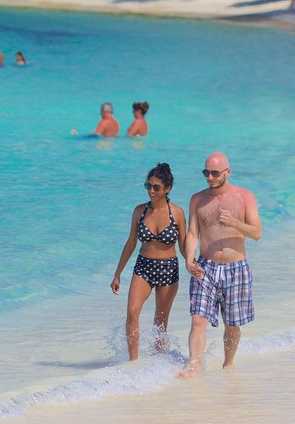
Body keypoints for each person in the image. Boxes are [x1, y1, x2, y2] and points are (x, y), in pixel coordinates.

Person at [179, 152, 262, 376]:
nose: (210, 177)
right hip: (205, 267)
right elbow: (193, 233)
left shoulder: (245, 197)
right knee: (198, 319)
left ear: (228, 172)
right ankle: (194, 366)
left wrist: (235, 223)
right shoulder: (198, 199)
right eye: (206, 172)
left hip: (236, 267)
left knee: (232, 324)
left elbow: (256, 233)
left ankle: (228, 364)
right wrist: (188, 258)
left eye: (215, 173)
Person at [111, 163, 187, 360]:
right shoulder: (139, 211)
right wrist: (118, 273)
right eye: (148, 186)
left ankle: (158, 360)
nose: (151, 191)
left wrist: (193, 264)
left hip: (168, 270)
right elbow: (130, 243)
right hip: (143, 267)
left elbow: (184, 246)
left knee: (160, 321)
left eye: (156, 187)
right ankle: (133, 362)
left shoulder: (177, 213)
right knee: (132, 311)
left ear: (167, 188)